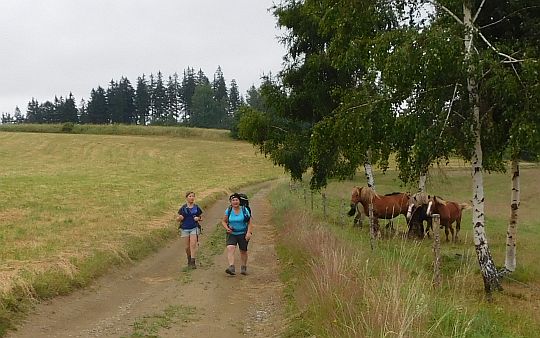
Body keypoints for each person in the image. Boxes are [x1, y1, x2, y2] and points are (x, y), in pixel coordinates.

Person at [222, 193, 253, 275]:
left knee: (243, 251)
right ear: (230, 202)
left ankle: (243, 267)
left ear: (239, 201)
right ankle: (231, 267)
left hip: (243, 233)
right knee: (230, 248)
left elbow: (249, 222)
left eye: (236, 200)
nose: (235, 202)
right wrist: (227, 228)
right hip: (232, 233)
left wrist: (249, 232)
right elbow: (223, 221)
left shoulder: (244, 210)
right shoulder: (228, 210)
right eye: (233, 200)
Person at [176, 191, 203, 269]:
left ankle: (193, 261)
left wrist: (198, 218)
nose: (192, 198)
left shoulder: (196, 207)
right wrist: (179, 218)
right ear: (186, 198)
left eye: (193, 196)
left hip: (194, 227)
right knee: (187, 247)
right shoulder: (183, 208)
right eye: (190, 196)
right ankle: (189, 258)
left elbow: (201, 217)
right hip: (185, 228)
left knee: (193, 244)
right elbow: (178, 218)